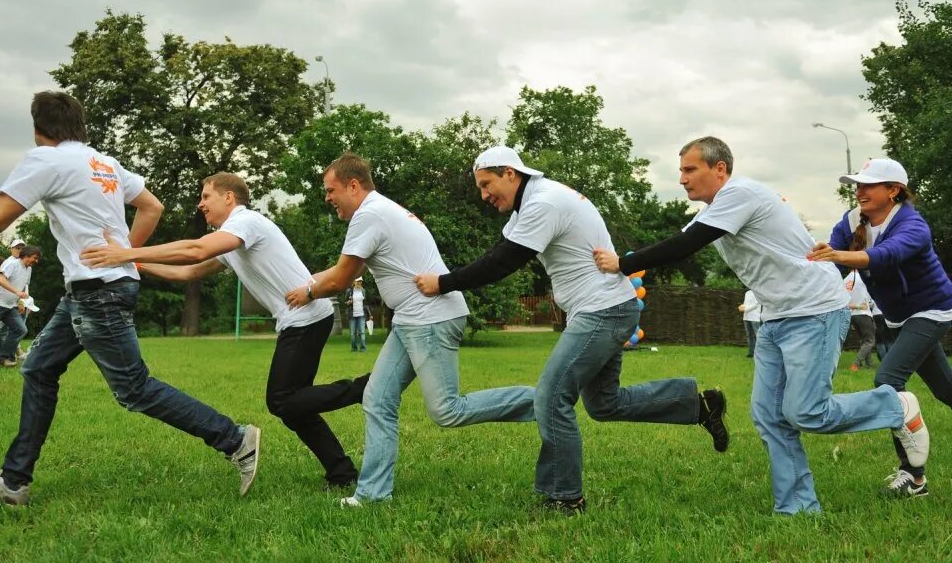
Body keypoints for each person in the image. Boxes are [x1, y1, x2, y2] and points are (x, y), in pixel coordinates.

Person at [0, 90, 260, 506]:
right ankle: (13, 482)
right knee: (38, 369)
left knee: (135, 389)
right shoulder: (104, 163)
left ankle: (236, 439)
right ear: (78, 125)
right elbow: (152, 207)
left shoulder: (46, 159)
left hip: (99, 293)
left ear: (39, 129)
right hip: (91, 291)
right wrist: (123, 255)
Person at [593, 138, 928, 515]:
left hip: (813, 310)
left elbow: (684, 245)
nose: (683, 179)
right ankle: (798, 508)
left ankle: (894, 405)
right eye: (681, 171)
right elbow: (678, 239)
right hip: (774, 316)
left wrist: (623, 262)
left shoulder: (740, 194)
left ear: (719, 169)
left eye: (690, 170)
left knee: (806, 412)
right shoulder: (716, 209)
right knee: (769, 416)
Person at [415, 145, 728, 515]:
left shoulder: (543, 203)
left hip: (603, 311)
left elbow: (503, 263)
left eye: (487, 184)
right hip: (609, 309)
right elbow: (498, 251)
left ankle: (565, 497)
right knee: (603, 404)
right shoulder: (531, 204)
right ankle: (696, 403)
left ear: (510, 174)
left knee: (550, 396)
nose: (484, 195)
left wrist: (443, 283)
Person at [80, 171, 368, 489]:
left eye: (206, 197)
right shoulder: (234, 238)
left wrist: (126, 252)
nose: (200, 204)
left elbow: (196, 250)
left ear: (228, 197)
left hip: (306, 318)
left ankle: (363, 389)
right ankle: (342, 473)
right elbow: (190, 271)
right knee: (294, 407)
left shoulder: (245, 223)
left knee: (283, 402)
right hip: (303, 319)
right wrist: (136, 264)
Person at [285, 152, 537, 508]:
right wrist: (307, 282)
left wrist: (308, 290)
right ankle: (373, 494)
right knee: (377, 397)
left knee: (447, 410)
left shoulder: (369, 215)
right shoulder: (379, 211)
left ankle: (544, 399)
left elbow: (342, 279)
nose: (327, 198)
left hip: (429, 317)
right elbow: (346, 268)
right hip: (413, 318)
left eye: (330, 190)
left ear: (353, 185)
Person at [811, 157, 952, 495]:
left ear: (893, 190)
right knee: (949, 392)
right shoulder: (852, 221)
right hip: (900, 316)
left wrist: (837, 255)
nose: (859, 191)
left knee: (888, 379)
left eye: (868, 184)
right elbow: (833, 270)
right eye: (857, 184)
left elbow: (885, 255)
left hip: (932, 311)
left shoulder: (913, 225)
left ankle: (913, 476)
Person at [845, 271, 875, 371]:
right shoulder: (863, 278)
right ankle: (856, 364)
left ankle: (870, 365)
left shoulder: (845, 280)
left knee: (864, 340)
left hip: (852, 315)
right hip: (863, 313)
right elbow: (871, 299)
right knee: (870, 341)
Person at [738, 289, 761, 358]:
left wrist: (744, 309)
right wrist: (741, 306)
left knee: (758, 336)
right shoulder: (747, 293)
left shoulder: (759, 292)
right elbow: (745, 304)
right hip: (746, 317)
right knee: (749, 335)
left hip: (755, 317)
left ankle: (760, 353)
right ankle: (751, 352)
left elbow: (756, 305)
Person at [347, 277, 368, 352]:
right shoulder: (349, 291)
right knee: (353, 333)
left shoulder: (363, 291)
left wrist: (369, 314)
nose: (359, 283)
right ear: (354, 282)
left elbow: (365, 303)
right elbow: (345, 302)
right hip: (352, 315)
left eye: (360, 281)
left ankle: (363, 348)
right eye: (357, 281)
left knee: (362, 332)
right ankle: (354, 348)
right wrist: (348, 302)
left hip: (361, 314)